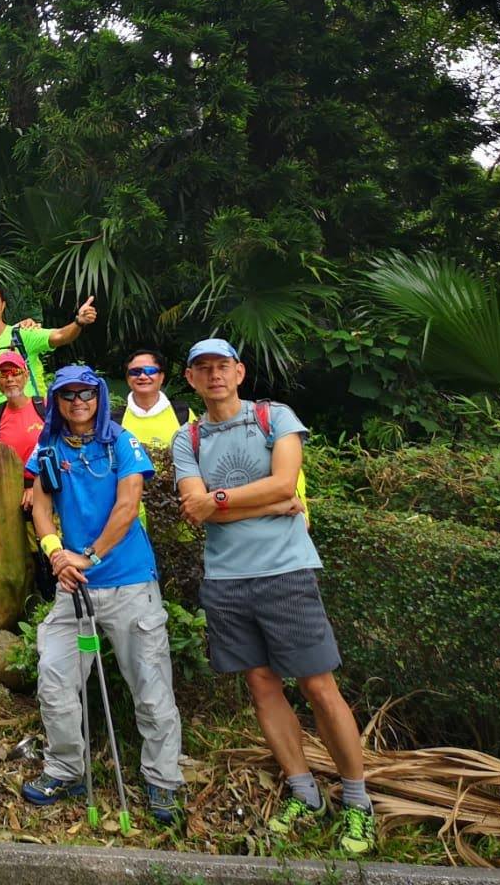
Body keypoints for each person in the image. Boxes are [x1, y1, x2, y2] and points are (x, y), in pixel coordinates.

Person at [172, 339, 374, 854]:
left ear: (238, 371)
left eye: (222, 366)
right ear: (191, 379)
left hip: (286, 570)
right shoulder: (188, 437)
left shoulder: (274, 417)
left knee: (318, 685)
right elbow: (195, 510)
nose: (214, 376)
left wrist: (220, 501)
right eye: (203, 369)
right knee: (262, 685)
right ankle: (304, 793)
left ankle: (357, 801)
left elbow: (286, 484)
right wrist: (257, 502)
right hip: (226, 579)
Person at [20, 365, 186, 826]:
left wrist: (87, 556)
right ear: (57, 400)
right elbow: (41, 506)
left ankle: (163, 779)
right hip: (72, 586)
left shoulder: (121, 442)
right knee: (54, 678)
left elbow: (128, 505)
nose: (78, 403)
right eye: (68, 395)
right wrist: (56, 555)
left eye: (86, 394)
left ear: (98, 397)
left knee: (150, 686)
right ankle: (66, 768)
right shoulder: (49, 445)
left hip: (129, 581)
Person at [0, 282, 98, 417]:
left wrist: (79, 322)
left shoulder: (22, 335)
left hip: (34, 420)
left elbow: (60, 336)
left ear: (3, 305)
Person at [0, 350, 45, 475]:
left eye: (15, 372)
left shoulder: (44, 406)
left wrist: (37, 484)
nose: (9, 379)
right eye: (3, 374)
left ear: (26, 375)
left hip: (46, 486)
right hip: (8, 488)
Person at [118, 349, 193, 453]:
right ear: (128, 379)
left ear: (162, 377)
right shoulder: (115, 419)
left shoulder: (183, 413)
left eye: (150, 371)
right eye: (135, 372)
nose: (143, 377)